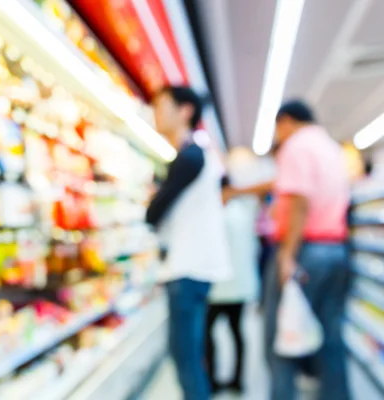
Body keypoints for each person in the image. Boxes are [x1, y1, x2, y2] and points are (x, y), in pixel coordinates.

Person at [146, 86, 231, 400]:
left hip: (187, 270)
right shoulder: (196, 155)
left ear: (185, 111)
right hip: (193, 269)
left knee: (184, 355)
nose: (156, 112)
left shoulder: (190, 156)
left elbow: (154, 212)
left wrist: (152, 202)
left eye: (162, 105)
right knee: (188, 352)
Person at [264, 100, 351, 400]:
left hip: (304, 251)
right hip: (336, 250)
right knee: (331, 336)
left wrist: (287, 255)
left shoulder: (296, 146)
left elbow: (300, 201)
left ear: (286, 121)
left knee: (283, 336)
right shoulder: (332, 147)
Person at [206, 149, 264, 395]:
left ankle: (213, 378)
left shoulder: (213, 217)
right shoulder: (244, 213)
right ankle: (238, 379)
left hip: (218, 289)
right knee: (237, 332)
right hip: (240, 287)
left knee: (208, 333)